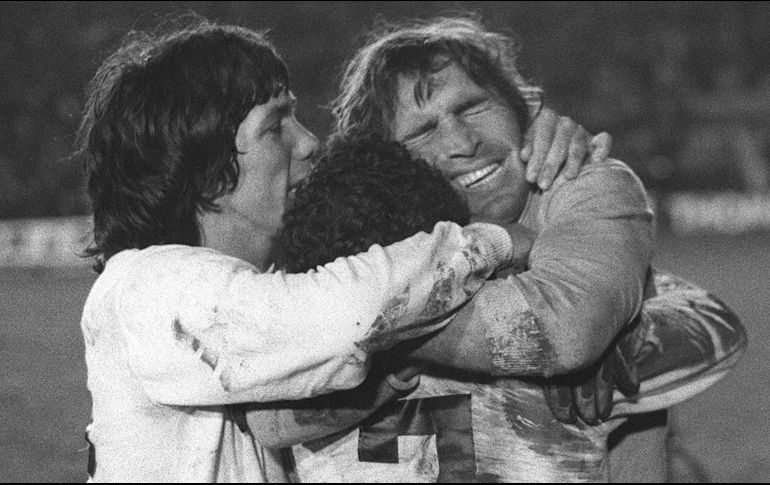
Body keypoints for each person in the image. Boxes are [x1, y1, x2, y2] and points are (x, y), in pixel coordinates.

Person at [75, 19, 603, 482]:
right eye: (276, 126)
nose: (309, 143)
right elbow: (349, 313)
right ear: (207, 170)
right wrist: (496, 242)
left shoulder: (249, 293)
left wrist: (556, 357)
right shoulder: (148, 285)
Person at [245, 17, 745, 482]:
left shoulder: (579, 183)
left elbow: (568, 327)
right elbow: (267, 413)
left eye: (472, 107)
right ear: (380, 158)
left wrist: (361, 331)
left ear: (523, 109)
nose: (461, 142)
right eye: (422, 131)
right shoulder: (341, 236)